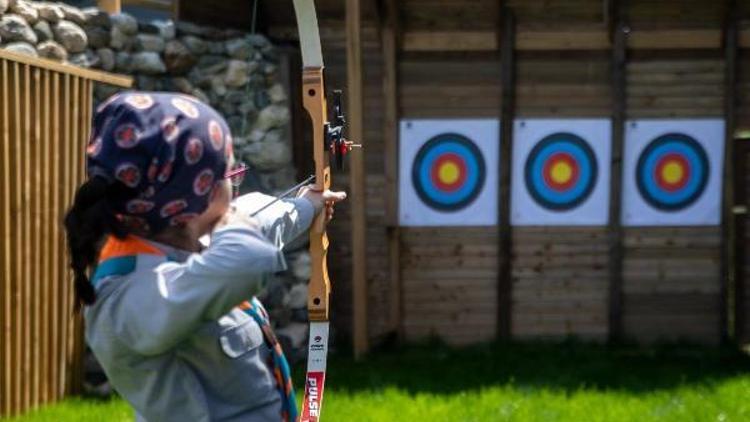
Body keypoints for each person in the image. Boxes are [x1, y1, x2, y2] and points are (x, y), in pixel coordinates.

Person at [63, 92, 346, 421]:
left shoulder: (184, 244)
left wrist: (307, 206)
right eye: (228, 174)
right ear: (198, 195)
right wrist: (230, 217)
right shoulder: (130, 296)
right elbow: (247, 255)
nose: (234, 184)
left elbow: (256, 222)